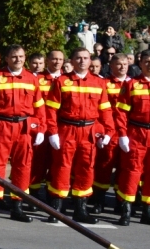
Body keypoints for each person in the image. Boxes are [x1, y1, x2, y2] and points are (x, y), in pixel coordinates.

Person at [44, 48, 114, 224]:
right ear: (72, 61)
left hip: (88, 132)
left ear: (90, 61)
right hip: (67, 129)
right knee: (62, 167)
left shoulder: (99, 83)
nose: (82, 61)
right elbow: (51, 109)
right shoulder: (62, 81)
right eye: (78, 58)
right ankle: (56, 207)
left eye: (85, 58)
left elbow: (105, 110)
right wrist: (53, 132)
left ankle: (80, 208)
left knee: (86, 168)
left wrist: (108, 131)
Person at [0, 45, 45, 222]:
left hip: (24, 128)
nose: (18, 60)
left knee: (23, 167)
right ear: (6, 59)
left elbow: (39, 107)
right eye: (14, 57)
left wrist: (41, 128)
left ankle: (17, 206)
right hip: (2, 126)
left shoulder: (32, 79)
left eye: (21, 56)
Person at [114, 50, 150, 226]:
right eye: (147, 61)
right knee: (132, 171)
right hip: (136, 133)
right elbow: (121, 113)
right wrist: (123, 135)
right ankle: (126, 210)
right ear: (140, 64)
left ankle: (148, 210)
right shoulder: (132, 85)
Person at [91, 53, 130, 214]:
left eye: (125, 64)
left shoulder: (133, 84)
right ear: (111, 66)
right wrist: (101, 132)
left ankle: (122, 203)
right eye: (118, 64)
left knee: (126, 168)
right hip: (110, 131)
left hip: (129, 132)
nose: (122, 67)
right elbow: (99, 110)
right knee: (104, 167)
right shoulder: (104, 83)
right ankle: (99, 201)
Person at [29, 50, 65, 200]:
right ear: (48, 61)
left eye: (60, 59)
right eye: (53, 59)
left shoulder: (67, 80)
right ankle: (33, 194)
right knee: (37, 161)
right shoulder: (38, 79)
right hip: (41, 127)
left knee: (58, 163)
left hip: (62, 128)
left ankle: (53, 195)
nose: (57, 62)